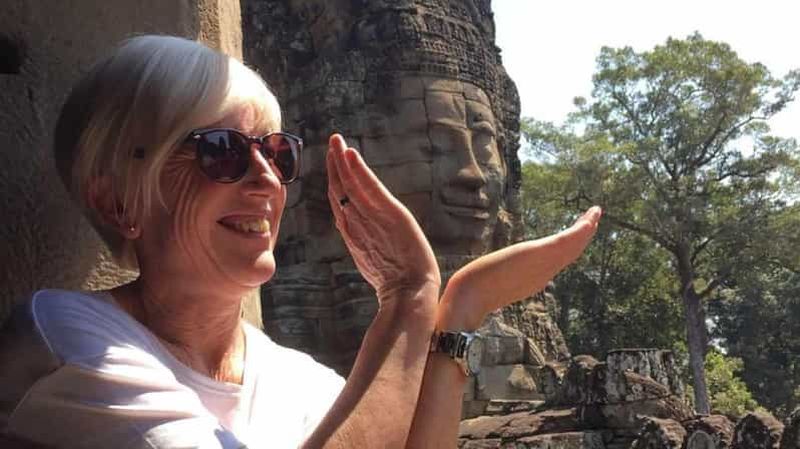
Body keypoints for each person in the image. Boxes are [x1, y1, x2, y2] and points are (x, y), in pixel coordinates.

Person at [0, 35, 601, 448]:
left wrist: (460, 309)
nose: (267, 180)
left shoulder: (301, 379)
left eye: (277, 153)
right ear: (117, 201)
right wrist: (408, 294)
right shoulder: (65, 338)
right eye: (221, 151)